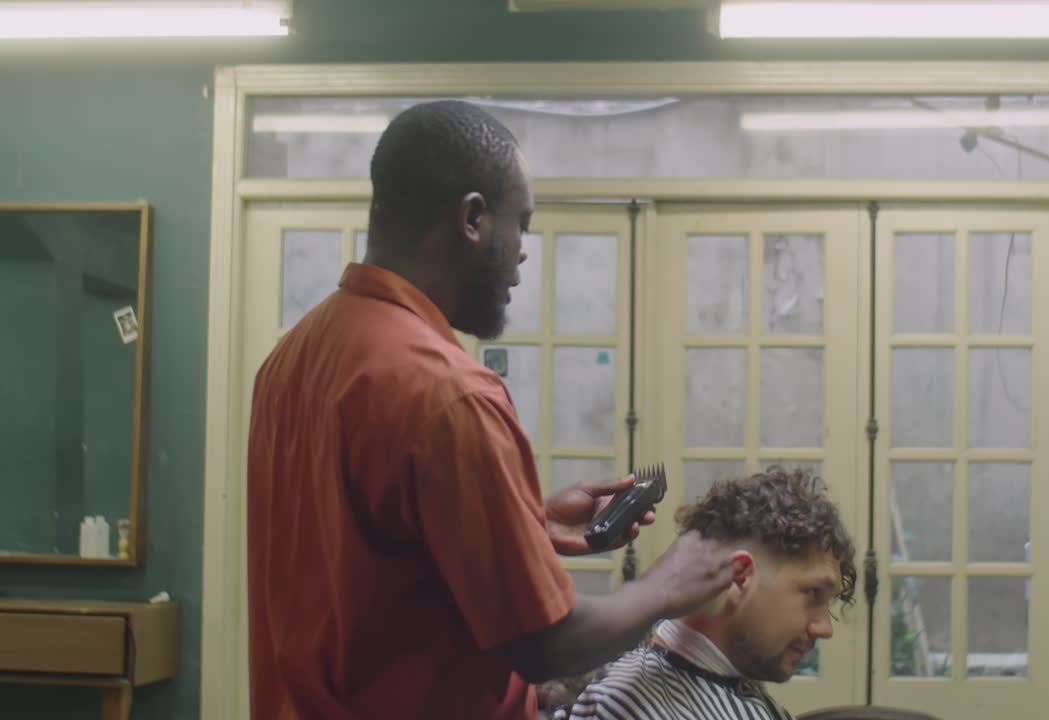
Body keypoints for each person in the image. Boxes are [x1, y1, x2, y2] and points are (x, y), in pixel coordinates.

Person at [246, 100, 734, 720]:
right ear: (473, 218)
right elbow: (544, 641)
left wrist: (526, 522)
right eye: (521, 223)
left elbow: (362, 560)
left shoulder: (293, 358)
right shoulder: (449, 393)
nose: (524, 251)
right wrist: (666, 586)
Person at [562, 466, 858, 720]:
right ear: (740, 576)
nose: (824, 628)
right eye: (813, 594)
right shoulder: (629, 706)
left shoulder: (731, 686)